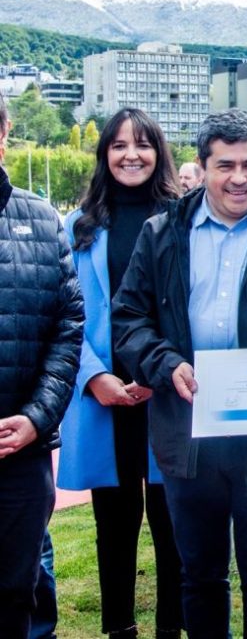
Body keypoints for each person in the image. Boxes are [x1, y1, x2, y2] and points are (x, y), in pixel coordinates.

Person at [112, 109, 247, 639]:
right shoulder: (163, 233)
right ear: (202, 167)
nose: (239, 177)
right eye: (225, 165)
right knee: (199, 576)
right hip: (188, 431)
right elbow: (129, 320)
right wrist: (167, 364)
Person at [58, 108, 183, 639]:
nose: (131, 154)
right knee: (113, 521)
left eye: (143, 144)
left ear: (159, 153)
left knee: (171, 522)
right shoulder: (78, 226)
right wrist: (94, 377)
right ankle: (119, 628)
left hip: (168, 393)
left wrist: (162, 368)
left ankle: (172, 629)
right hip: (104, 395)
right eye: (118, 145)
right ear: (104, 154)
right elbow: (65, 312)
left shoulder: (184, 218)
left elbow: (189, 309)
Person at [0, 91, 84, 638]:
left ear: (3, 131)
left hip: (20, 452)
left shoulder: (40, 220)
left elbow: (66, 328)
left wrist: (37, 416)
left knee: (16, 591)